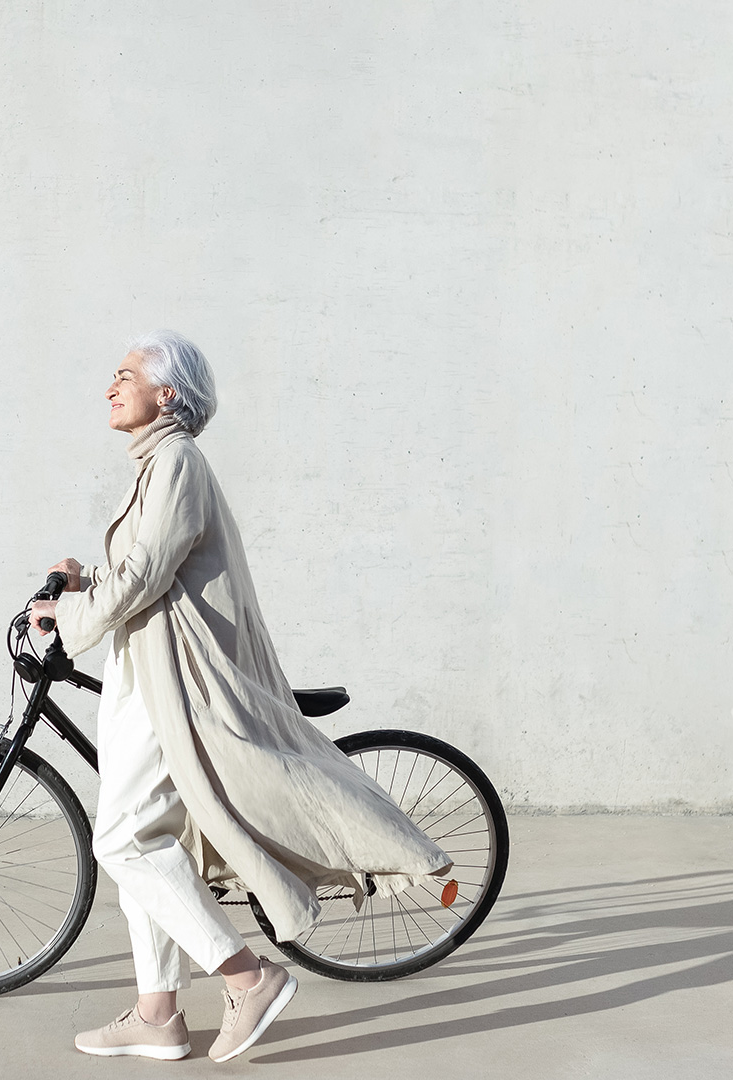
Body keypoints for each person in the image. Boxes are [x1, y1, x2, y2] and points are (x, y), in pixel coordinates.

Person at [29, 331, 452, 1063]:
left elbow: (144, 578)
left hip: (177, 681)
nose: (109, 386)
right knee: (147, 839)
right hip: (148, 668)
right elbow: (144, 578)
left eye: (124, 375)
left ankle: (244, 976)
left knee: (123, 841)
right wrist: (79, 584)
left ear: (168, 395)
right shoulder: (157, 466)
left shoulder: (178, 462)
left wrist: (70, 620)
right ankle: (158, 1013)